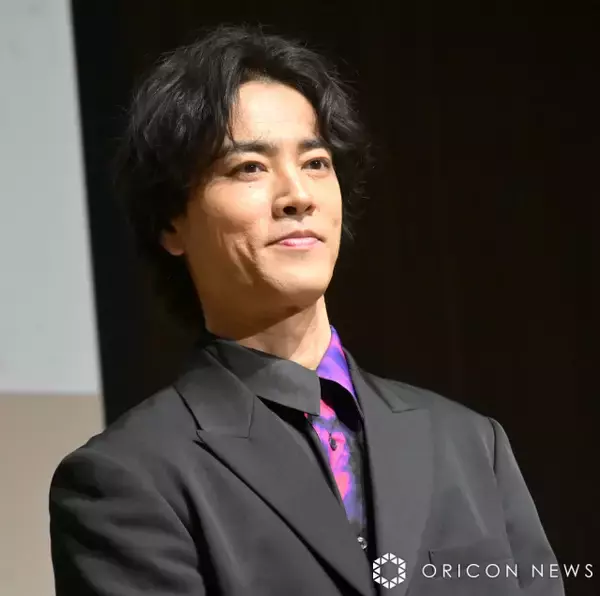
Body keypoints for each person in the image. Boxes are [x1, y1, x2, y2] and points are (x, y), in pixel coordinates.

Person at [49, 25, 564, 596]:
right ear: (171, 221)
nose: (298, 195)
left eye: (316, 162)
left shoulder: (470, 445)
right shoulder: (128, 479)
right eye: (249, 167)